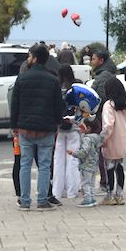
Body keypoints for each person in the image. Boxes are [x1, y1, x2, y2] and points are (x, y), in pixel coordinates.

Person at [9, 44, 65, 211]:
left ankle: (25, 201)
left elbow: (15, 105)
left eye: (29, 56)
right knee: (44, 164)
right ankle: (42, 200)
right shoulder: (53, 80)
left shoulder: (22, 79)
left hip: (24, 128)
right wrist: (57, 123)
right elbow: (58, 106)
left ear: (34, 58)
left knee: (25, 164)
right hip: (46, 129)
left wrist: (14, 126)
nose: (28, 58)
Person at [100, 77, 126, 206]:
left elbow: (108, 125)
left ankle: (109, 196)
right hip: (123, 140)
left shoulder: (109, 105)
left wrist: (103, 139)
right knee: (119, 167)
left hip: (111, 141)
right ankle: (119, 195)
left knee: (109, 167)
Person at [51, 65, 81, 202]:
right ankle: (72, 191)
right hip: (74, 128)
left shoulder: (56, 87)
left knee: (58, 160)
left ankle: (57, 191)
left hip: (59, 128)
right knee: (73, 160)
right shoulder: (77, 86)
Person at [89, 49, 117, 191]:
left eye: (93, 59)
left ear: (100, 60)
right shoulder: (104, 74)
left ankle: (105, 181)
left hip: (101, 118)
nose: (91, 62)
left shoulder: (103, 76)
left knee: (102, 152)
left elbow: (99, 96)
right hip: (102, 117)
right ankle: (107, 181)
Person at [68, 118, 104, 207]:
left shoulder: (87, 139)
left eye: (82, 126)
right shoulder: (98, 138)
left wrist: (73, 153)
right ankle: (92, 198)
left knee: (85, 183)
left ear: (88, 128)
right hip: (94, 164)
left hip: (86, 165)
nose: (80, 127)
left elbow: (84, 152)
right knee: (91, 183)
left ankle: (87, 200)